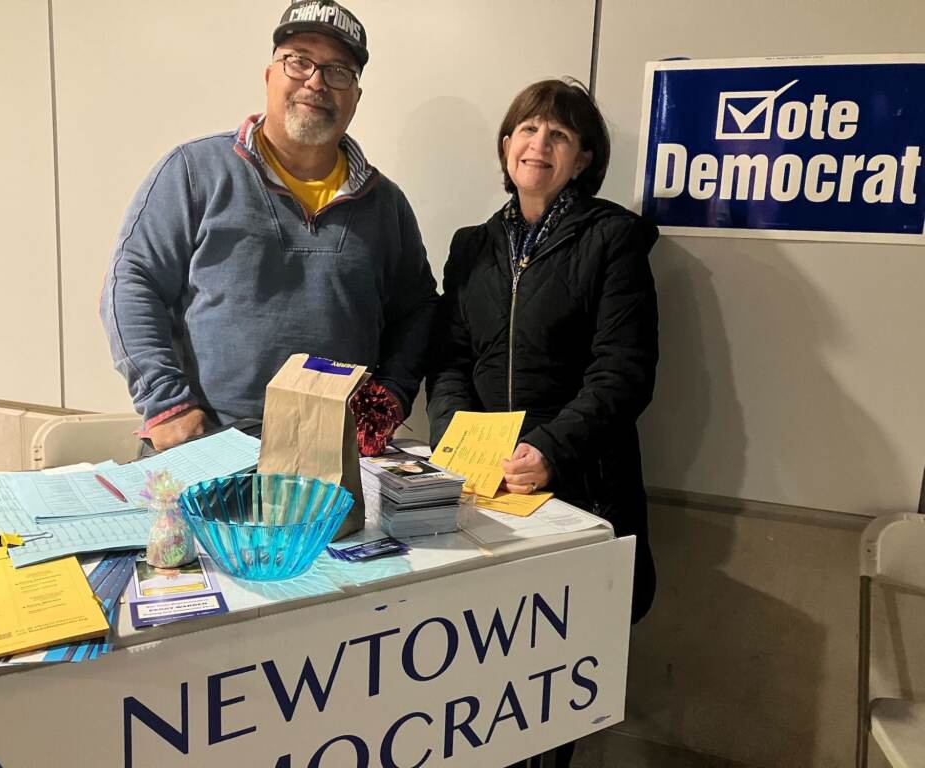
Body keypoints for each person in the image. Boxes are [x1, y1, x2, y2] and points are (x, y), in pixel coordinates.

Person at [426, 78, 659, 768]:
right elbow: (450, 360)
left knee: (551, 681)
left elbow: (624, 372)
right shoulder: (471, 245)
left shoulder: (614, 239)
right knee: (480, 669)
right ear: (506, 146)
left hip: (576, 483)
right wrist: (453, 438)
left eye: (558, 135)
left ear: (583, 159)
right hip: (482, 488)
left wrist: (549, 451)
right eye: (527, 130)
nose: (539, 144)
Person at [101, 0, 437, 453]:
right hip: (204, 447)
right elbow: (131, 282)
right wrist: (166, 404)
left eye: (339, 71)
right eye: (299, 61)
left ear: (355, 97)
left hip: (335, 460)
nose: (316, 82)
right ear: (269, 75)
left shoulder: (386, 205)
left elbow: (417, 312)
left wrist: (391, 396)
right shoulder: (193, 172)